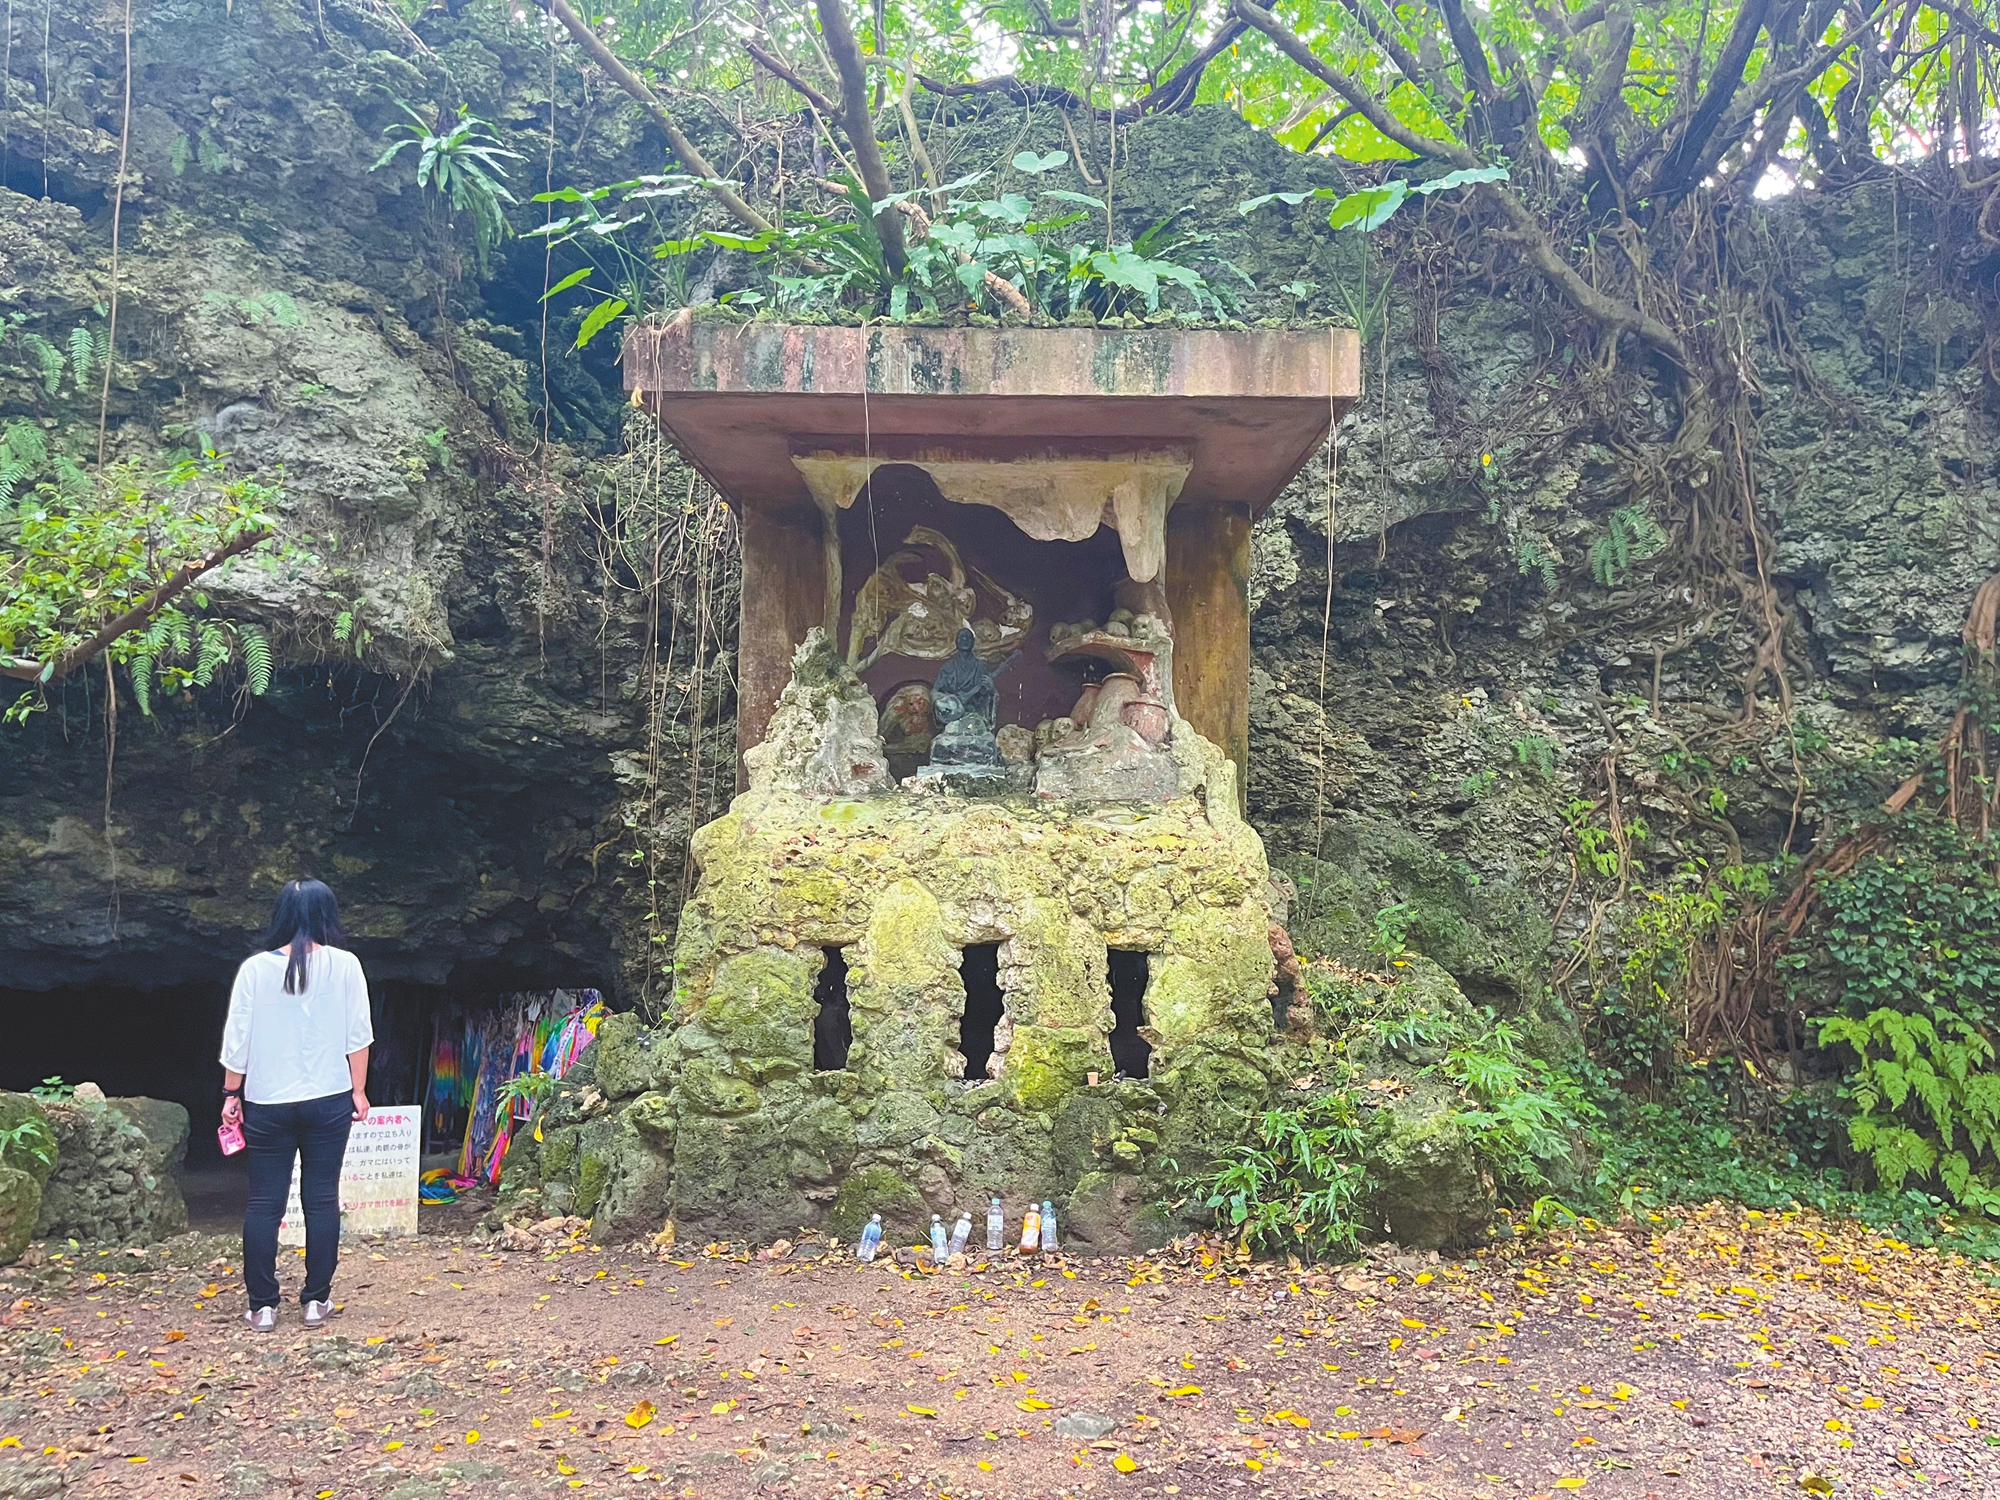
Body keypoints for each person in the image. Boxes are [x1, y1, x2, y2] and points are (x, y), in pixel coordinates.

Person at [218, 879, 373, 1332]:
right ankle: (315, 1302)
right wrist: (358, 1091)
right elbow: (358, 1035)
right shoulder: (345, 965)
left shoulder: (253, 970)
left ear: (280, 915)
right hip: (328, 1098)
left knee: (264, 1201)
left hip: (267, 1101)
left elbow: (237, 1039)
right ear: (329, 914)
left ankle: (262, 1305)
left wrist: (232, 1094)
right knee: (321, 1198)